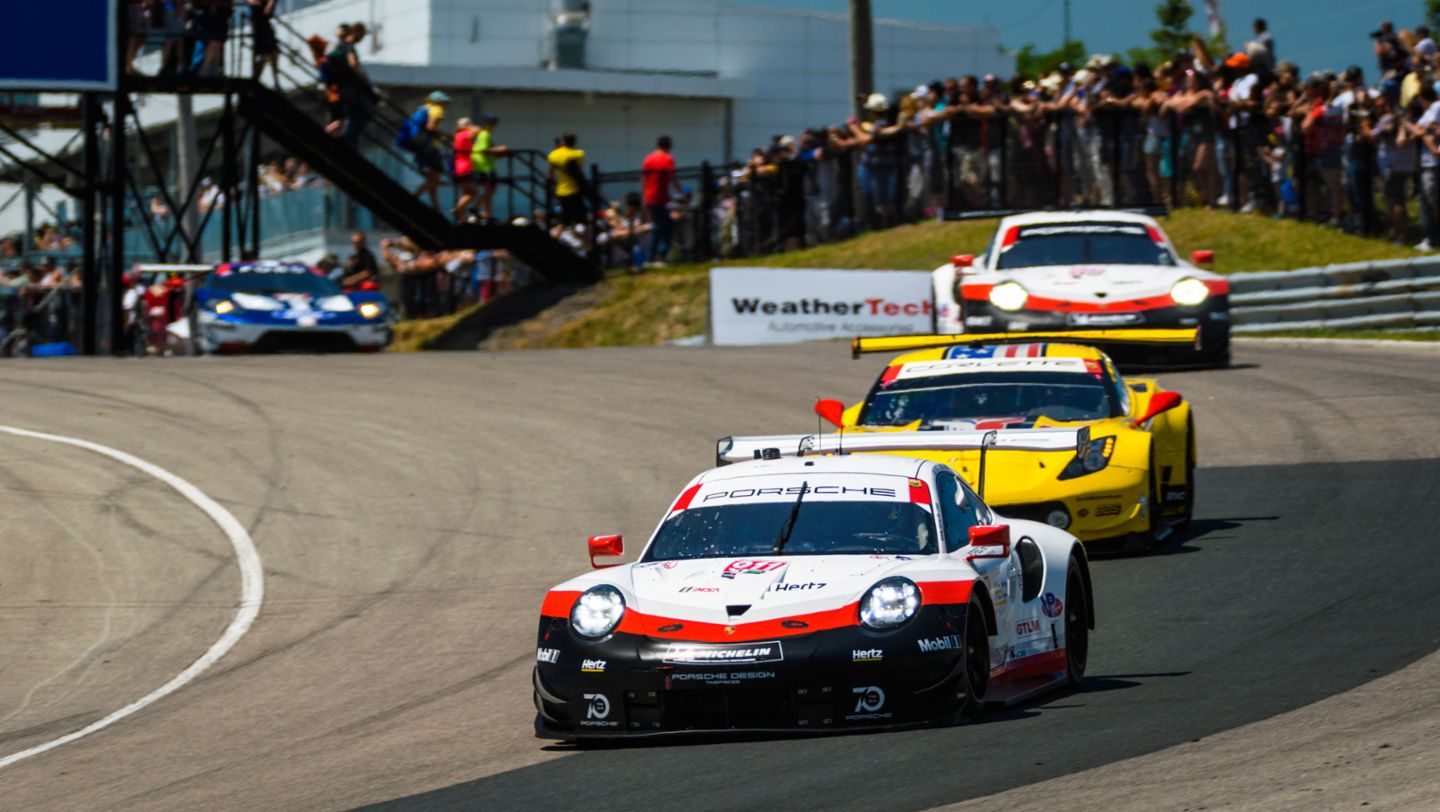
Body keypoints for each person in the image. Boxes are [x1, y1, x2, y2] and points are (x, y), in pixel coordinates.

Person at [328, 24, 375, 148]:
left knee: (346, 116)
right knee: (360, 114)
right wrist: (363, 75)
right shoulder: (349, 46)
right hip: (350, 87)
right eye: (362, 35)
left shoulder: (339, 46)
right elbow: (352, 63)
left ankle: (344, 139)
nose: (362, 38)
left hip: (341, 86)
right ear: (356, 32)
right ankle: (349, 142)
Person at [641, 135, 683, 267]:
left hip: (650, 197)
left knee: (662, 226)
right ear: (669, 146)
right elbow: (672, 178)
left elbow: (643, 179)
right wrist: (681, 191)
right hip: (660, 198)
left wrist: (644, 197)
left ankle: (656, 256)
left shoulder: (648, 158)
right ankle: (655, 257)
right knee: (662, 227)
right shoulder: (667, 158)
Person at [470, 115, 507, 221]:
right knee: (490, 189)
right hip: (485, 167)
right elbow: (483, 150)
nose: (493, 126)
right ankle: (477, 208)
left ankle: (487, 213)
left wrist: (497, 153)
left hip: (485, 166)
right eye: (492, 123)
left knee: (489, 189)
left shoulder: (483, 134)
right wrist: (499, 149)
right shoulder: (485, 134)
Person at [547, 133, 587, 225]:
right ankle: (587, 239)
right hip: (575, 190)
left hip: (561, 191)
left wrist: (558, 149)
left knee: (564, 221)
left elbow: (549, 175)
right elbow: (578, 165)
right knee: (583, 219)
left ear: (563, 141)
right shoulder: (579, 154)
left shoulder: (553, 155)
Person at [451, 117, 479, 222]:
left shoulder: (457, 135)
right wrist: (468, 127)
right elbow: (477, 130)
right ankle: (457, 209)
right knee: (473, 193)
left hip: (458, 167)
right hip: (466, 167)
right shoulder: (464, 134)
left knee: (465, 193)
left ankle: (462, 218)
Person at [246, 0, 279, 87]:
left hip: (265, 23)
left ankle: (275, 81)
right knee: (265, 55)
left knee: (273, 53)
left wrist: (269, 4)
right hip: (259, 23)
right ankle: (256, 79)